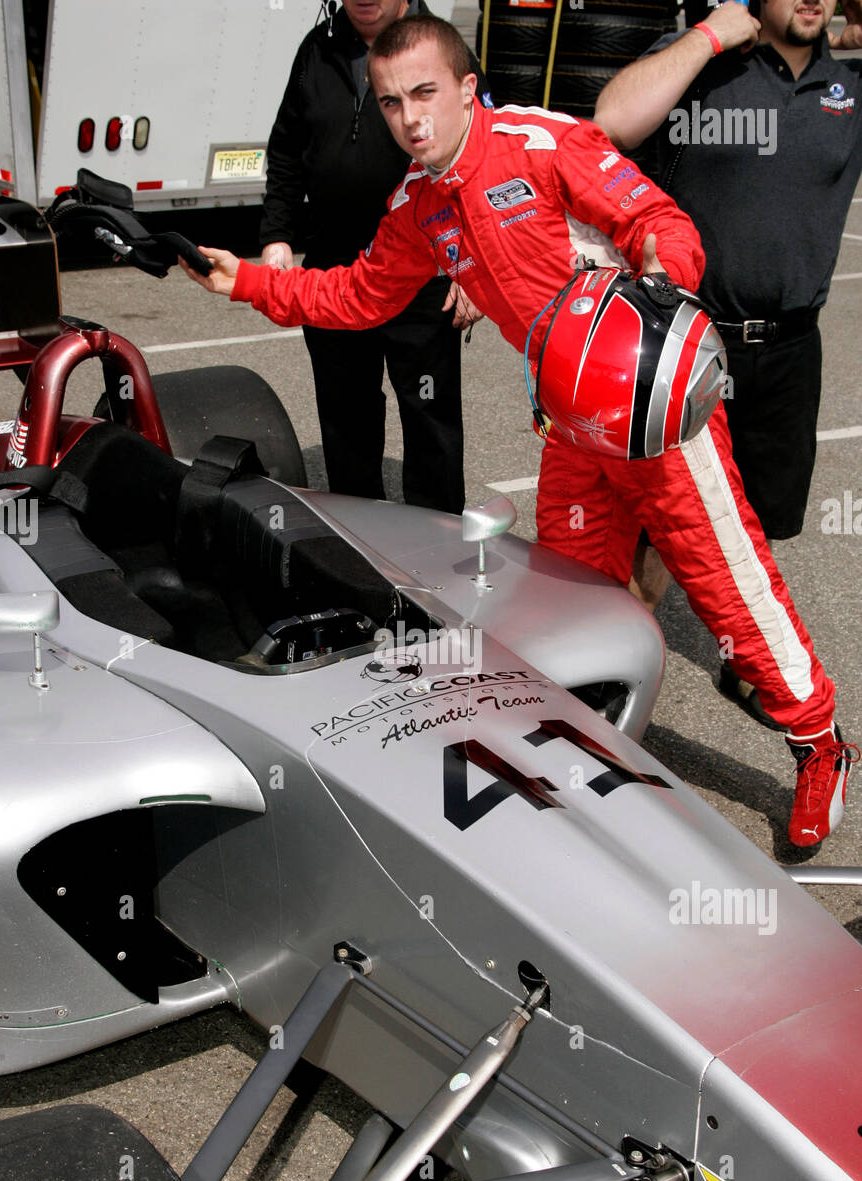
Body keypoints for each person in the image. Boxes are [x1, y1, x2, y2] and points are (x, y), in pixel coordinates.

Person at [180, 14, 857, 847]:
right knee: (571, 605)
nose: (410, 119)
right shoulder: (419, 203)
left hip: (651, 415)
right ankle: (596, 758)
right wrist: (244, 279)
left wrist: (644, 304)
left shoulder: (541, 142)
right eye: (391, 103)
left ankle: (818, 741)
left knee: (728, 588)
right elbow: (354, 298)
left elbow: (662, 223)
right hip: (571, 432)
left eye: (425, 93)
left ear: (467, 88)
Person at [594, 0, 862, 720]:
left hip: (788, 352)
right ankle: (604, 694)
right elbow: (610, 121)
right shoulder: (701, 65)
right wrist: (708, 35)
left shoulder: (846, 89)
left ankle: (738, 658)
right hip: (691, 345)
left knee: (756, 527)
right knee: (656, 534)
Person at [261, 0, 486, 513]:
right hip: (334, 268)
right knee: (346, 418)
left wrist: (472, 263)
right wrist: (277, 234)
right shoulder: (317, 51)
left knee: (430, 417)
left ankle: (437, 545)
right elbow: (286, 150)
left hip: (423, 274)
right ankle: (361, 545)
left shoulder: (440, 49)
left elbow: (483, 156)